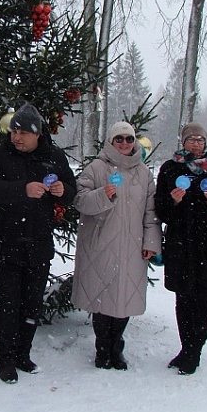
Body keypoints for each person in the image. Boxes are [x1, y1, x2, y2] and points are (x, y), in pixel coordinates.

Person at [0, 102, 77, 384]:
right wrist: (21, 190)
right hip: (4, 243)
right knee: (6, 305)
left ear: (37, 134)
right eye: (14, 131)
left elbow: (70, 190)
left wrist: (62, 191)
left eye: (23, 133)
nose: (17, 137)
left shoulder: (53, 156)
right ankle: (6, 359)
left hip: (38, 245)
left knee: (31, 305)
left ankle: (24, 353)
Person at [71, 121, 162, 371]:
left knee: (125, 298)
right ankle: (102, 349)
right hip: (101, 244)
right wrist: (103, 195)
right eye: (119, 139)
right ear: (111, 141)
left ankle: (116, 348)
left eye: (129, 139)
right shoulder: (96, 168)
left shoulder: (144, 173)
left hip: (133, 246)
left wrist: (151, 243)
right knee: (102, 299)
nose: (124, 143)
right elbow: (80, 201)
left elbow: (151, 212)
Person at [154, 122, 207, 375]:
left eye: (200, 139)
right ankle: (185, 348)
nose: (195, 143)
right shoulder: (171, 169)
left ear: (206, 143)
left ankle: (194, 351)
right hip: (182, 244)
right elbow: (160, 208)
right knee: (183, 298)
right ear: (183, 142)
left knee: (205, 299)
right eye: (191, 139)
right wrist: (173, 200)